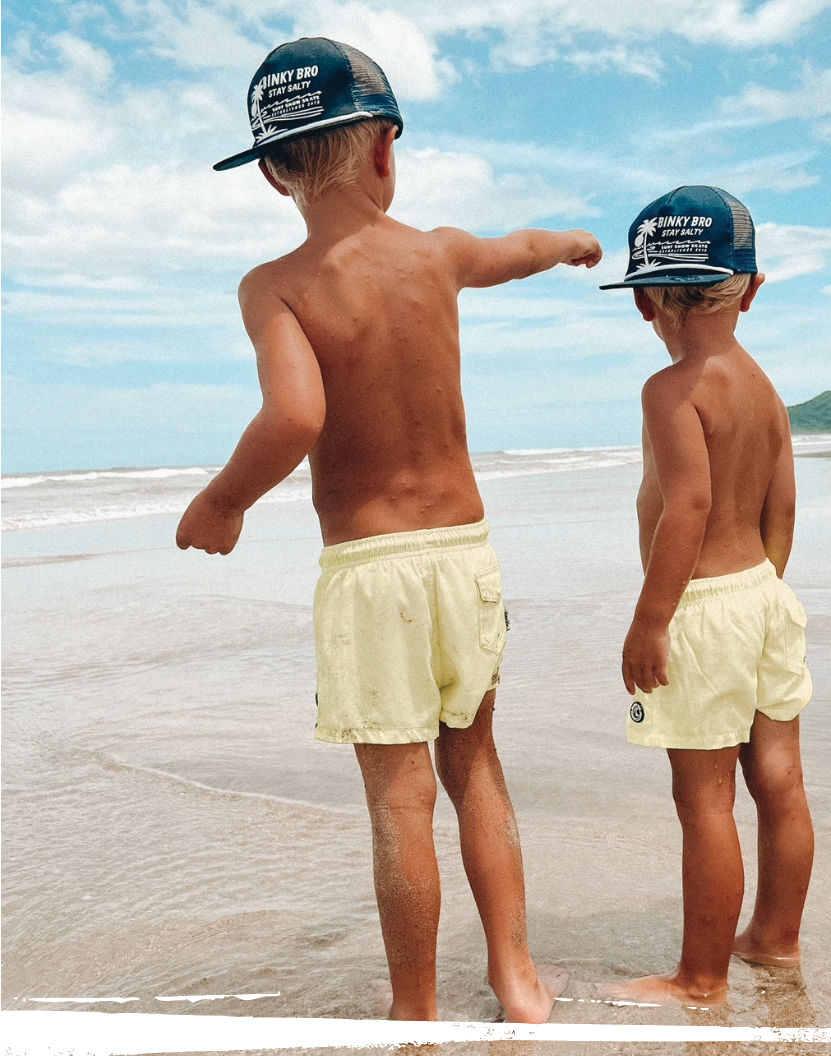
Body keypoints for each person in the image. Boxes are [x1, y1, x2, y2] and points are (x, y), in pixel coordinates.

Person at [175, 36, 602, 1023]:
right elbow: (522, 248)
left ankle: (417, 1013)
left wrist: (224, 500)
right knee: (477, 765)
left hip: (372, 573)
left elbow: (294, 418)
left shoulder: (276, 286)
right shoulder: (440, 255)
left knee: (400, 798)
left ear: (274, 174)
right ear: (385, 151)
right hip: (465, 558)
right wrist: (575, 241)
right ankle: (519, 982)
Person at [597, 186, 814, 1007]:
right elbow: (782, 507)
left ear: (645, 301)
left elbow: (686, 505)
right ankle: (777, 940)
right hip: (763, 594)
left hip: (704, 605)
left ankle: (701, 979)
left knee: (705, 800)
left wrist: (654, 620)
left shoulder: (671, 389)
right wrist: (765, 596)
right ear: (750, 289)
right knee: (781, 781)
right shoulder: (765, 389)